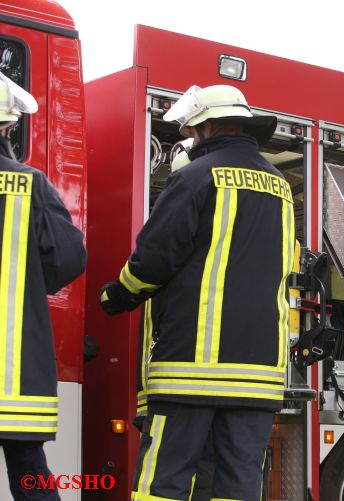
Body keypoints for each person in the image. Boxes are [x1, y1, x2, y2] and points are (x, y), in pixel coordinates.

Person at [99, 83, 291, 500]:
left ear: (206, 128)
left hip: (192, 368)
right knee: (237, 485)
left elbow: (154, 259)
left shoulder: (193, 177)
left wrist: (116, 296)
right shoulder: (280, 188)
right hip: (259, 376)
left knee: (164, 481)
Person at [0, 71, 86, 500]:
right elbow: (70, 257)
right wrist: (32, 283)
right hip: (14, 372)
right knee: (30, 476)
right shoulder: (30, 185)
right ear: (9, 127)